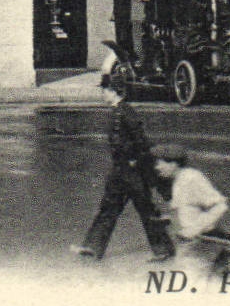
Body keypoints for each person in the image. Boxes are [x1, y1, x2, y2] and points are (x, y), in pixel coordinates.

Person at [74, 76, 175, 262]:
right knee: (109, 207)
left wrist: (136, 161)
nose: (102, 93)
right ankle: (93, 247)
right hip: (120, 171)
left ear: (113, 91)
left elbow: (141, 141)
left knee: (146, 210)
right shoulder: (118, 111)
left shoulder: (126, 112)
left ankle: (163, 249)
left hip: (133, 172)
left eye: (104, 90)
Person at [153, 145, 228, 248]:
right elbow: (189, 208)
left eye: (160, 164)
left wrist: (193, 230)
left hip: (204, 240)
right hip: (194, 241)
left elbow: (220, 206)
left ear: (173, 164)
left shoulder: (191, 178)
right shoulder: (179, 179)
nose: (157, 168)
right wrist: (172, 218)